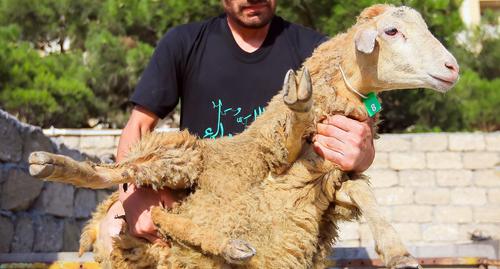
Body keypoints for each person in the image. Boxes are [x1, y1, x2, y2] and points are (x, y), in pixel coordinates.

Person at [100, 0, 375, 250]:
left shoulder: (314, 50)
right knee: (111, 228)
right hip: (198, 204)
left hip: (278, 211)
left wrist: (365, 149)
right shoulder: (183, 42)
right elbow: (137, 126)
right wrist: (133, 199)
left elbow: (370, 99)